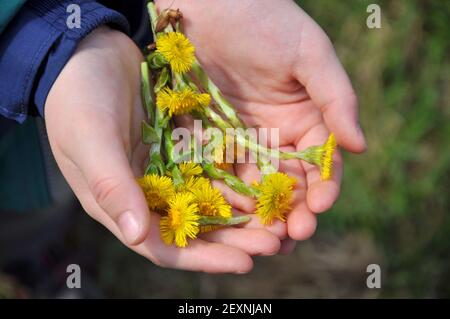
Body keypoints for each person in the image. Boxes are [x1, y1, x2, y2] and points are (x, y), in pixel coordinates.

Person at [0, 0, 366, 274]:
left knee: (44, 211)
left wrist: (57, 45)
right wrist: (50, 47)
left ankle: (40, 257)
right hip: (57, 85)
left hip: (46, 135)